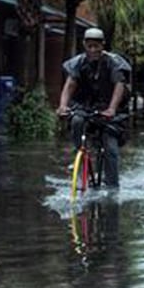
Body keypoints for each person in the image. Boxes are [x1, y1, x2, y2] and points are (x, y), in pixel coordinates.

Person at [56, 27, 131, 187]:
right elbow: (70, 86)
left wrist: (111, 109)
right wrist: (62, 106)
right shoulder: (78, 63)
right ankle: (81, 154)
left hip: (108, 110)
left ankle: (112, 186)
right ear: (84, 45)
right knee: (76, 121)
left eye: (96, 46)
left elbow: (119, 85)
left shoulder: (113, 63)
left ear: (102, 45)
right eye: (89, 46)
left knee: (110, 148)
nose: (93, 50)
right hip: (85, 107)